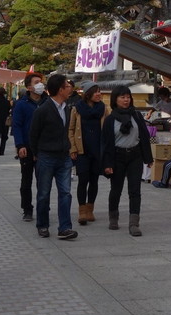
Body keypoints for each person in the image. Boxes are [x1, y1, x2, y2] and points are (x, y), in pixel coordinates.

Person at [28, 74, 78, 240]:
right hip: (46, 156)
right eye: (66, 86)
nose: (69, 88)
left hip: (63, 157)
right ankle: (42, 224)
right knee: (44, 193)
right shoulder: (42, 110)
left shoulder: (68, 108)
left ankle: (65, 227)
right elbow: (33, 135)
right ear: (60, 89)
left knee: (65, 193)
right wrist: (36, 154)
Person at [101, 85, 153, 236]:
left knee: (135, 190)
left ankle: (134, 223)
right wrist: (107, 164)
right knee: (116, 189)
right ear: (115, 100)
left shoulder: (136, 116)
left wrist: (148, 158)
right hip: (117, 156)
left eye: (128, 97)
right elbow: (106, 144)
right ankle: (113, 217)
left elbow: (144, 137)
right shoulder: (110, 120)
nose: (126, 100)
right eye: (122, 97)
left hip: (134, 156)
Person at [70, 83, 107, 225]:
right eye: (96, 92)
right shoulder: (77, 109)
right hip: (82, 150)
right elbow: (71, 130)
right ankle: (82, 211)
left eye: (100, 92)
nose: (99, 94)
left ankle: (90, 208)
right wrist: (72, 148)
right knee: (83, 180)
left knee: (94, 181)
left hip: (97, 150)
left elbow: (108, 128)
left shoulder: (103, 109)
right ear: (88, 94)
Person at [12, 73, 45, 221]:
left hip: (44, 148)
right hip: (26, 147)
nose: (40, 85)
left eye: (41, 82)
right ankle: (27, 209)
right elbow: (17, 126)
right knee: (26, 181)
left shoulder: (47, 102)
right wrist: (20, 145)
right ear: (29, 87)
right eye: (37, 82)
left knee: (43, 181)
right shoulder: (22, 104)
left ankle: (43, 208)